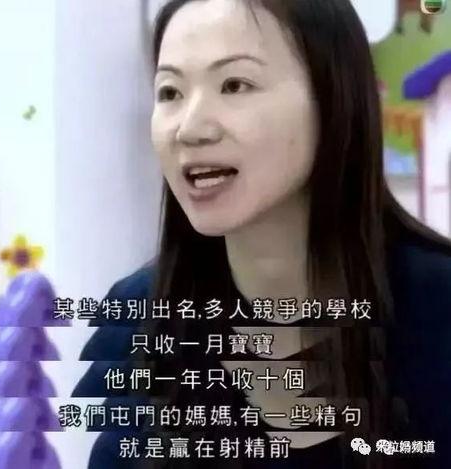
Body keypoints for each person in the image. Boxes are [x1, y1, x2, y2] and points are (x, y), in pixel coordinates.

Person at [78, 0, 451, 467]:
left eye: (235, 85)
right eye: (170, 92)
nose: (189, 129)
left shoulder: (437, 307)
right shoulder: (138, 317)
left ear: (334, 98)